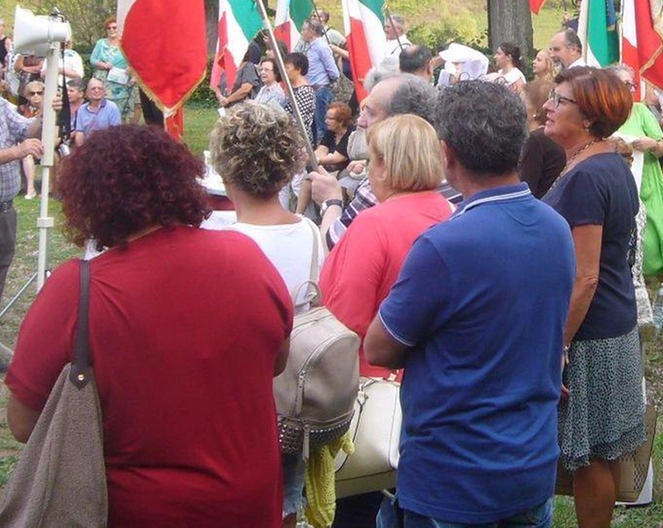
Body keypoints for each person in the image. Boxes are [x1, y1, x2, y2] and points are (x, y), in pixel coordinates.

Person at [5, 124, 292, 528]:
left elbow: (23, 423)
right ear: (179, 183)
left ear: (89, 202)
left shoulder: (78, 288)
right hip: (249, 503)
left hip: (134, 509)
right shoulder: (246, 257)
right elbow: (276, 361)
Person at [366, 81, 574, 528]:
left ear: (446, 153)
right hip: (531, 462)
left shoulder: (444, 245)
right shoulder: (556, 227)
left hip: (454, 476)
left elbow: (379, 348)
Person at [315, 113, 453, 528]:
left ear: (388, 166)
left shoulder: (374, 224)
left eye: (372, 160)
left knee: (357, 508)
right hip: (435, 395)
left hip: (371, 401)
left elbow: (342, 320)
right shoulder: (451, 213)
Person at [540, 67, 645, 528]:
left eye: (558, 100)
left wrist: (559, 344)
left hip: (590, 331)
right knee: (599, 449)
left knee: (591, 455)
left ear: (587, 118)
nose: (547, 106)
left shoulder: (588, 174)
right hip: (608, 322)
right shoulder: (604, 161)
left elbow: (585, 277)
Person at [208, 102, 316, 526]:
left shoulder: (221, 244)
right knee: (286, 502)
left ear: (226, 168)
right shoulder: (308, 231)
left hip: (234, 406)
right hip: (295, 401)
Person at [313, 74, 452, 249]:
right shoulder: (454, 171)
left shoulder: (383, 181)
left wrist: (331, 200)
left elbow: (336, 244)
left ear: (401, 122)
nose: (360, 121)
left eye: (370, 112)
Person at [610, 64, 663, 313]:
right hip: (618, 183)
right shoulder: (605, 113)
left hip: (647, 180)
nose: (630, 89)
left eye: (631, 84)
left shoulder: (641, 111)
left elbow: (662, 146)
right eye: (624, 84)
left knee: (657, 237)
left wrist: (650, 143)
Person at [0, 88, 46, 297]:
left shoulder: (2, 105)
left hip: (5, 208)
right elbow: (20, 147)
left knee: (2, 263)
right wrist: (16, 152)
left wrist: (44, 115)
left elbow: (27, 130)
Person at [518, 78, 565, 199]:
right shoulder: (553, 135)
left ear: (536, 111)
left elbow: (526, 187)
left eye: (522, 101)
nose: (517, 106)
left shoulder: (537, 139)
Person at [297, 18, 341, 142]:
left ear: (312, 31)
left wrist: (325, 83)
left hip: (320, 90)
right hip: (312, 90)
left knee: (322, 126)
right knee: (313, 126)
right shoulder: (310, 47)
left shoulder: (321, 47)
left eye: (304, 29)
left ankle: (324, 154)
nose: (302, 32)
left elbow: (334, 71)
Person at [89, 16, 134, 122]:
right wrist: (104, 65)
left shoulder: (127, 43)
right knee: (101, 110)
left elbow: (135, 60)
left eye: (114, 27)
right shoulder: (100, 43)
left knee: (120, 113)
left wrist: (130, 67)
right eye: (108, 28)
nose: (111, 30)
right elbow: (92, 59)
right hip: (103, 81)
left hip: (121, 82)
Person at [72, 77, 122, 146]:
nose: (96, 91)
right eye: (93, 89)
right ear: (87, 92)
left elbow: (115, 133)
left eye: (100, 88)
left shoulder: (112, 107)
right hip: (87, 147)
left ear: (104, 92)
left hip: (107, 146)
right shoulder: (82, 109)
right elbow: (79, 132)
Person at [282, 52, 317, 145]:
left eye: (287, 68)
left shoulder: (305, 91)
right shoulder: (290, 88)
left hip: (298, 139)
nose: (284, 70)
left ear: (298, 70)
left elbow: (298, 118)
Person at [215, 42, 262, 109]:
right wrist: (221, 98)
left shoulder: (248, 66)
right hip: (225, 108)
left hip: (242, 109)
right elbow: (218, 87)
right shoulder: (228, 67)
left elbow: (246, 89)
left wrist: (228, 100)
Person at [316, 103, 354, 174]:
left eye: (330, 119)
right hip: (329, 169)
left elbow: (336, 158)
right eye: (326, 118)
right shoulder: (331, 131)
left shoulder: (351, 133)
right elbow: (321, 150)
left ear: (341, 121)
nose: (326, 121)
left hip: (347, 170)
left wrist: (316, 160)